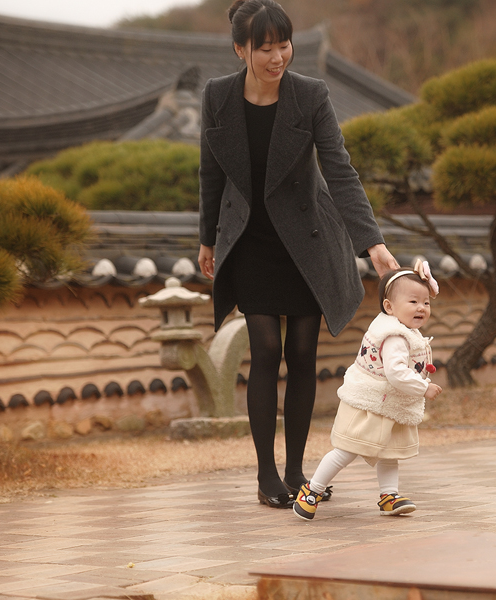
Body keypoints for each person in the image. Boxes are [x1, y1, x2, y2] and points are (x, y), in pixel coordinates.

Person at [198, 0, 399, 509]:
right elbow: (210, 172)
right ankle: (267, 474)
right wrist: (207, 239)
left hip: (306, 240)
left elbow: (340, 169)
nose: (277, 57)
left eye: (284, 45)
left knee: (303, 353)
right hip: (250, 242)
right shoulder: (218, 96)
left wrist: (372, 242)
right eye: (264, 48)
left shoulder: (310, 95)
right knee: (265, 350)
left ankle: (295, 470)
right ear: (240, 49)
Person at [293, 261, 443, 520]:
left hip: (389, 405)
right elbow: (396, 373)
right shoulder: (395, 337)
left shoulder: (402, 330)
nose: (421, 307)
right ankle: (312, 490)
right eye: (413, 302)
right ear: (389, 307)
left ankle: (389, 496)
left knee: (390, 452)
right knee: (346, 450)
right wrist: (423, 388)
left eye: (426, 302)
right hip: (371, 403)